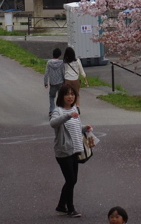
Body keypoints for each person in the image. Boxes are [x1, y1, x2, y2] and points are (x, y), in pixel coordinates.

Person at [51, 83, 90, 218]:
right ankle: (70, 208)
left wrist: (86, 128)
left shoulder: (75, 110)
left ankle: (61, 205)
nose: (70, 96)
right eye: (67, 94)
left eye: (72, 94)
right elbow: (53, 123)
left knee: (72, 180)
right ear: (61, 96)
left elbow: (77, 127)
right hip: (63, 151)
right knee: (71, 179)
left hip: (75, 149)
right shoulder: (58, 111)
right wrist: (68, 116)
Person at [44, 47, 65, 114]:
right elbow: (63, 72)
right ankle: (59, 110)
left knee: (52, 96)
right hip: (60, 82)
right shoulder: (61, 63)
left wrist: (45, 82)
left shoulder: (49, 63)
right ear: (59, 55)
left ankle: (52, 110)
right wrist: (65, 81)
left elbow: (46, 73)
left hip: (52, 83)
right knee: (60, 97)